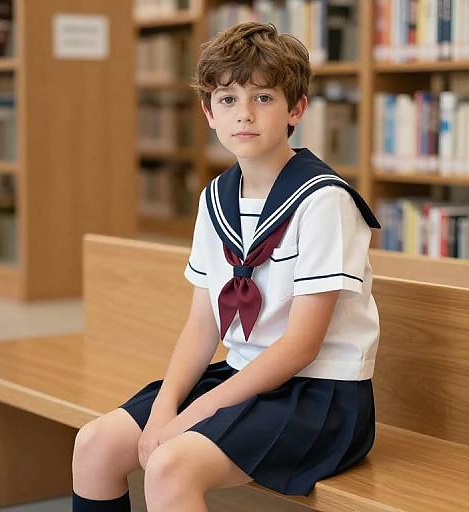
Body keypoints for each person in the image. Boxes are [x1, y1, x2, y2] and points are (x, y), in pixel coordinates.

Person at [71, 21, 381, 512]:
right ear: (208, 113)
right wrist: (167, 409)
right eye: (228, 99)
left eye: (263, 98)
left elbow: (301, 347)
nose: (244, 115)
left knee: (170, 465)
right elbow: (203, 322)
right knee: (94, 446)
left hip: (318, 396)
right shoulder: (215, 197)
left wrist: (188, 419)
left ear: (296, 109)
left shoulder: (324, 201)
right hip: (240, 376)